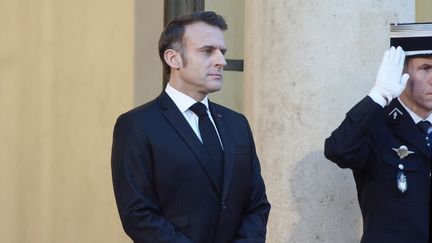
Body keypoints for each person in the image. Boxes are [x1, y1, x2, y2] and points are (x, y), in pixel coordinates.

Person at [111, 11, 270, 243]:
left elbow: (256, 205)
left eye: (222, 52)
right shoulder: (137, 125)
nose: (221, 61)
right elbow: (138, 214)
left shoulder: (237, 124)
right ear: (173, 59)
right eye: (207, 51)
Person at [325, 23, 432, 243]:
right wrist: (379, 95)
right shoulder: (376, 125)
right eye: (425, 68)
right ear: (401, 71)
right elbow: (339, 150)